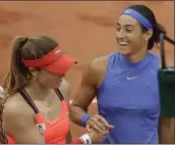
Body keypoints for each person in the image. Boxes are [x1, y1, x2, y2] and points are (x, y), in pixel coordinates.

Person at [69, 5, 175, 144]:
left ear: (147, 34)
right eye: (118, 29)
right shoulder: (99, 68)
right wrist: (87, 119)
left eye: (128, 30)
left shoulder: (163, 71)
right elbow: (75, 108)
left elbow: (167, 124)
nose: (120, 36)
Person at [2, 36, 108, 144]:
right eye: (55, 70)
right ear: (33, 71)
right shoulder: (17, 110)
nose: (63, 74)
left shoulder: (62, 89)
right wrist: (87, 139)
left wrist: (88, 120)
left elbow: (66, 136)